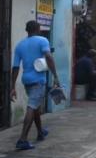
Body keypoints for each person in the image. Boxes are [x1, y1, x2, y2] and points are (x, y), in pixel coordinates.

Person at [11, 20, 60, 150]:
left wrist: (12, 87)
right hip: (38, 80)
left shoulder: (20, 45)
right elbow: (48, 57)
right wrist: (55, 75)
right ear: (38, 29)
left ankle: (40, 132)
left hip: (26, 80)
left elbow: (15, 67)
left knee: (36, 106)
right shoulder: (42, 40)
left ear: (27, 30)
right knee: (32, 106)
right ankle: (22, 139)